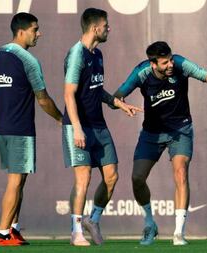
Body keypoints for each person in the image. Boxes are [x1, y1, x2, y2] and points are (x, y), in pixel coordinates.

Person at [113, 41, 207, 246]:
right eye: (165, 62)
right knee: (137, 178)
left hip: (180, 130)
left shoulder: (181, 64)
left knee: (180, 172)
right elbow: (117, 96)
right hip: (152, 133)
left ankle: (178, 233)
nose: (171, 64)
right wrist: (122, 105)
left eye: (171, 59)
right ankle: (150, 223)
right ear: (153, 64)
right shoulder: (142, 73)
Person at [0, 13, 63, 246]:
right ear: (21, 32)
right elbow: (43, 99)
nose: (39, 33)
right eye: (35, 29)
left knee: (20, 179)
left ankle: (13, 228)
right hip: (19, 131)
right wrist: (61, 118)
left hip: (1, 130)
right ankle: (2, 234)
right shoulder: (28, 60)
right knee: (16, 181)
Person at [62, 8, 142, 247]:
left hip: (99, 125)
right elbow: (69, 95)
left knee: (112, 176)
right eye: (106, 25)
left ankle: (92, 219)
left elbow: (96, 90)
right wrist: (76, 128)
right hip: (79, 125)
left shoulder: (97, 55)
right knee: (83, 178)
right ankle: (76, 231)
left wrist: (117, 102)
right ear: (95, 28)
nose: (109, 29)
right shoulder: (77, 54)